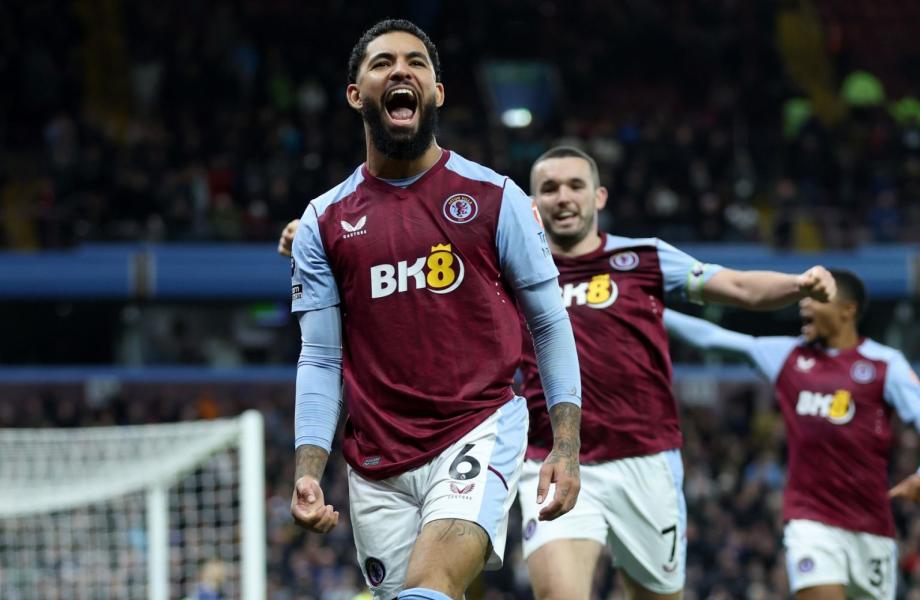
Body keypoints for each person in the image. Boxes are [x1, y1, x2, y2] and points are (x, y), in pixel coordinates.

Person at [288, 20, 583, 600]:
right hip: (377, 460)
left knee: (432, 582)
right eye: (382, 63)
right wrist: (307, 468)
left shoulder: (497, 199)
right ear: (355, 94)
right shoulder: (323, 222)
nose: (401, 71)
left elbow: (549, 324)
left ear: (437, 91)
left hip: (478, 427)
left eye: (416, 62)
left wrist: (566, 446)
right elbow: (321, 358)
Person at [516, 146, 838, 600]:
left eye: (575, 185)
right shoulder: (516, 269)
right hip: (555, 459)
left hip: (646, 461)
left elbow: (739, 287)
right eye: (549, 188)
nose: (563, 197)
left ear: (599, 197)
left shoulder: (644, 257)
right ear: (533, 204)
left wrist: (798, 284)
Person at [664, 271, 920, 600]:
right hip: (810, 522)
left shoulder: (885, 364)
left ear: (847, 310)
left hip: (872, 528)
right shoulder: (788, 356)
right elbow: (713, 338)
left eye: (816, 299)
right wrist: (650, 308)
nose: (804, 305)